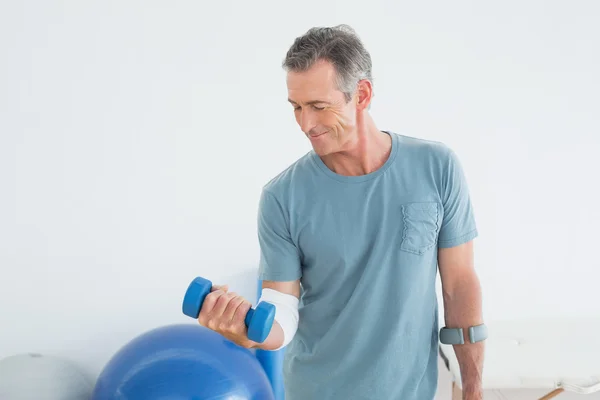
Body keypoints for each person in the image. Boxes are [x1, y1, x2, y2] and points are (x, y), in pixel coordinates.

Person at [197, 24, 485, 400]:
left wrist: (473, 387)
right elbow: (282, 311)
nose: (305, 124)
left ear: (361, 94)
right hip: (318, 390)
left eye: (318, 106)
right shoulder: (282, 196)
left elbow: (458, 285)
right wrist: (248, 331)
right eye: (297, 107)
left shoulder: (436, 167)